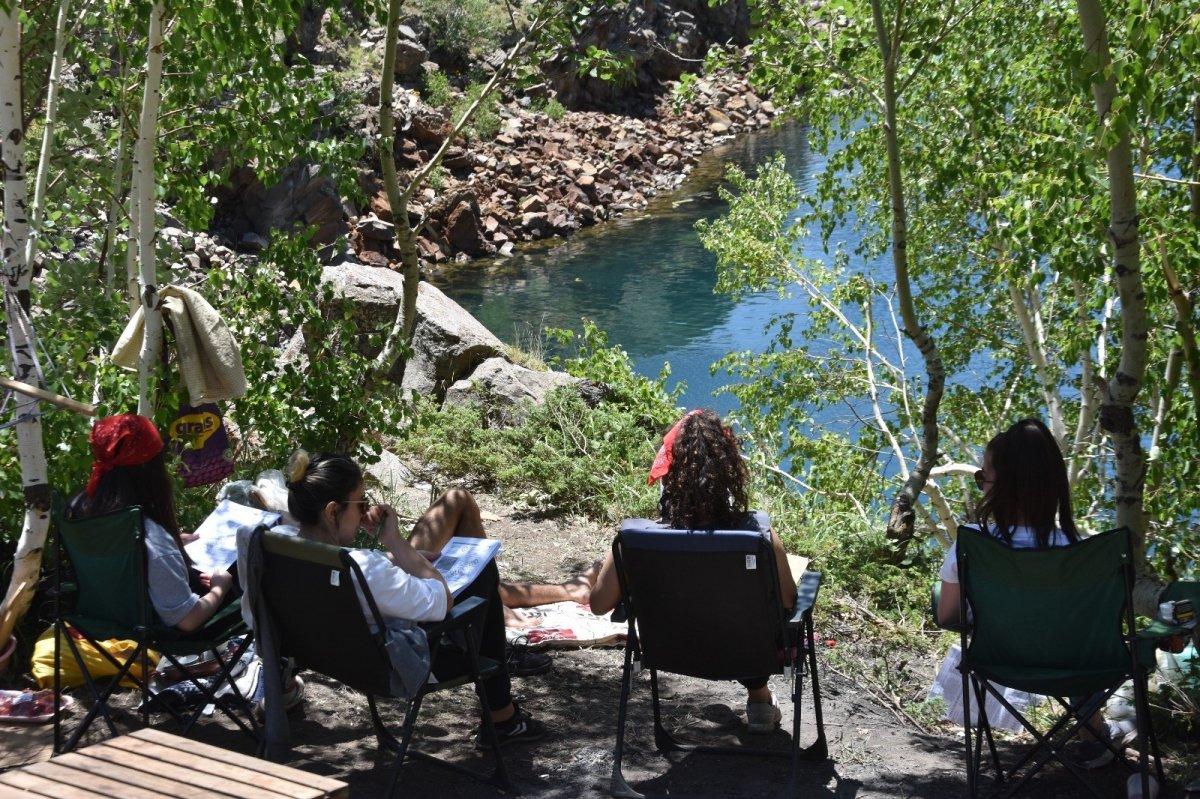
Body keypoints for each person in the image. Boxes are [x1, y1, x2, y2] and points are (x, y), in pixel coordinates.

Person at [504, 409, 797, 734]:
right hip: (749, 652)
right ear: (731, 473)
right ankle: (759, 700)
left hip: (673, 651)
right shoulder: (760, 539)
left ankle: (759, 701)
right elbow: (788, 602)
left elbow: (599, 604)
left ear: (670, 473)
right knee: (739, 615)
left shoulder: (635, 540)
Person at [283, 450, 546, 746]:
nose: (364, 511)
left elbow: (255, 616)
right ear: (332, 511)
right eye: (361, 504)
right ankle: (502, 716)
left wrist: (402, 559)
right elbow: (442, 600)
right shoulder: (364, 569)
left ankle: (503, 716)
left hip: (327, 657)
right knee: (482, 573)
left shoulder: (269, 546)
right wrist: (395, 542)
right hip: (394, 670)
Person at [936, 418, 1128, 769]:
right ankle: (1096, 736)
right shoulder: (1084, 553)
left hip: (1000, 662)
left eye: (982, 478)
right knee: (1071, 638)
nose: (980, 486)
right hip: (1076, 668)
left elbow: (948, 616)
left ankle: (1096, 738)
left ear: (1002, 487)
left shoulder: (972, 544)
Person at [67, 414, 236, 633]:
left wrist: (172, 545)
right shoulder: (152, 539)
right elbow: (186, 620)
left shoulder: (79, 507)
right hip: (154, 634)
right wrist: (219, 588)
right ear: (152, 470)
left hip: (100, 623)